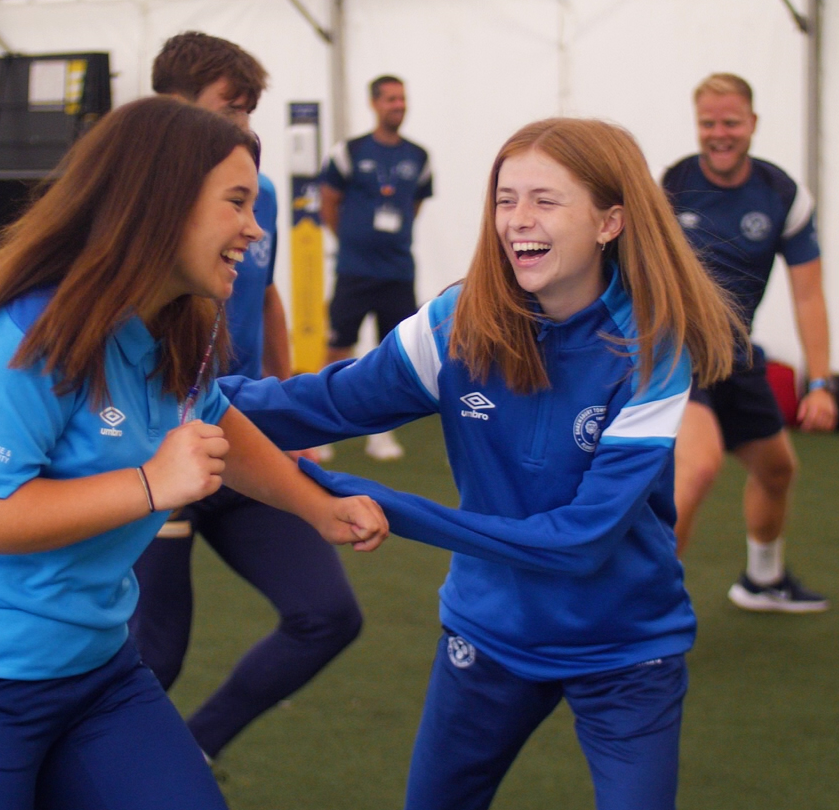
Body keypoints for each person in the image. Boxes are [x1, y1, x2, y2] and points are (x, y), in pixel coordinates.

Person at [0, 95, 388, 810]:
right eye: (236, 202)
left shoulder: (175, 321)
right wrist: (151, 483)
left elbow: (216, 419)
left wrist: (316, 508)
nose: (255, 229)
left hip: (93, 673)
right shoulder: (27, 330)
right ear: (161, 202)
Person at [222, 117, 742, 810]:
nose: (518, 220)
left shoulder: (653, 346)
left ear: (609, 222)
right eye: (505, 199)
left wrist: (380, 502)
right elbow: (320, 405)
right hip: (489, 634)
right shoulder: (456, 321)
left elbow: (579, 541)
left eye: (545, 200)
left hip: (626, 649)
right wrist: (178, 395)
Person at [129, 31, 365, 762]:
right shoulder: (130, 205)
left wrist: (289, 405)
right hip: (155, 453)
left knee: (328, 615)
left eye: (249, 111)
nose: (244, 127)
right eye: (229, 108)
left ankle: (195, 749)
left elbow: (263, 297)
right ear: (170, 106)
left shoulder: (258, 193)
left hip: (238, 435)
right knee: (155, 655)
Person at [662, 72, 835, 612]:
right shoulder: (671, 184)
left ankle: (762, 581)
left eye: (731, 122)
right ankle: (638, 613)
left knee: (777, 469)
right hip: (675, 354)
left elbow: (809, 295)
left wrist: (821, 383)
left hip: (735, 356)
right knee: (698, 467)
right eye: (708, 123)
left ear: (753, 123)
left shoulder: (782, 194)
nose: (719, 134)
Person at [319, 74, 433, 460]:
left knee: (395, 353)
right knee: (338, 346)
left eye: (402, 98)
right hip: (354, 270)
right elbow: (329, 203)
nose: (398, 105)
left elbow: (414, 206)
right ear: (374, 104)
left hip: (398, 272)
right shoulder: (348, 152)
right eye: (390, 99)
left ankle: (381, 433)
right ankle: (320, 430)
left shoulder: (419, 156)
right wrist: (352, 240)